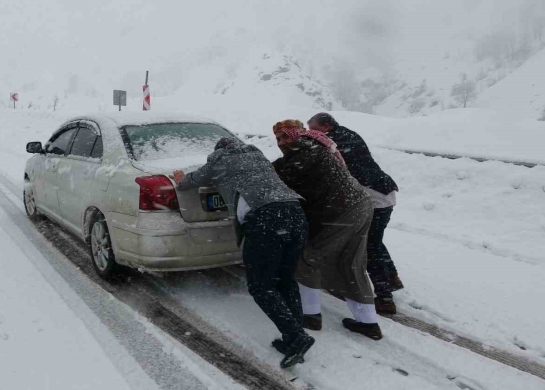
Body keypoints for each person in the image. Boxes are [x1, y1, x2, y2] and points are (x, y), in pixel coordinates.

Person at [172, 137, 314, 367]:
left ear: (218, 150)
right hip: (295, 212)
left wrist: (180, 179)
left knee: (260, 285)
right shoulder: (258, 156)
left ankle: (297, 336)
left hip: (265, 218)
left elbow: (191, 181)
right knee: (286, 279)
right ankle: (292, 336)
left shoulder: (219, 160)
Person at [271, 120, 382, 340]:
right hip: (359, 204)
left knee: (307, 258)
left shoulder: (304, 152)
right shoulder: (313, 149)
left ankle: (310, 315)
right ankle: (368, 323)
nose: (282, 142)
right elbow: (283, 168)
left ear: (298, 134)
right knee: (351, 263)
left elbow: (286, 179)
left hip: (342, 211)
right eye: (278, 139)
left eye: (285, 136)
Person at [308, 113, 403, 314]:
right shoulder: (347, 134)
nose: (310, 132)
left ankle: (385, 298)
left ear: (325, 126)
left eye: (313, 128)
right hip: (384, 189)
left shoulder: (333, 142)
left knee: (369, 246)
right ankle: (392, 277)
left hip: (373, 195)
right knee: (375, 240)